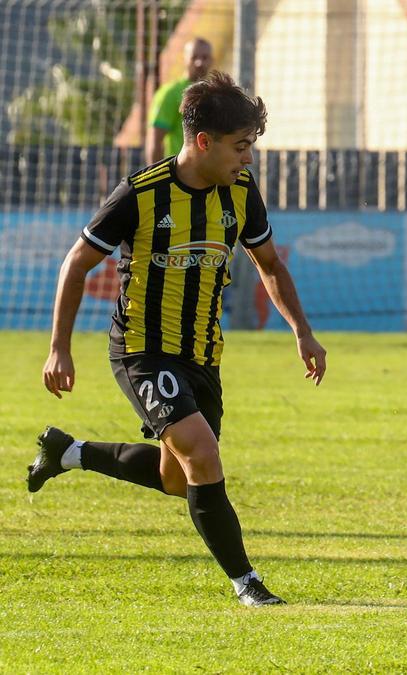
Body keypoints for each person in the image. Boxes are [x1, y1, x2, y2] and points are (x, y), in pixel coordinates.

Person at [28, 71, 327, 607]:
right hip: (143, 350)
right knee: (203, 455)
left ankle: (68, 452)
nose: (249, 159)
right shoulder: (141, 195)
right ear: (204, 142)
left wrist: (302, 331)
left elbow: (269, 265)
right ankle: (247, 583)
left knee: (176, 477)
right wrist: (59, 346)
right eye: (241, 147)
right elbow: (76, 264)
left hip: (202, 355)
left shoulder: (240, 193)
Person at [146, 37, 214, 163]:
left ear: (211, 60)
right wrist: (158, 179)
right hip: (179, 174)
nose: (199, 62)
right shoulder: (170, 93)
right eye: (194, 57)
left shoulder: (216, 95)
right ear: (185, 59)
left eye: (204, 58)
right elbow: (155, 141)